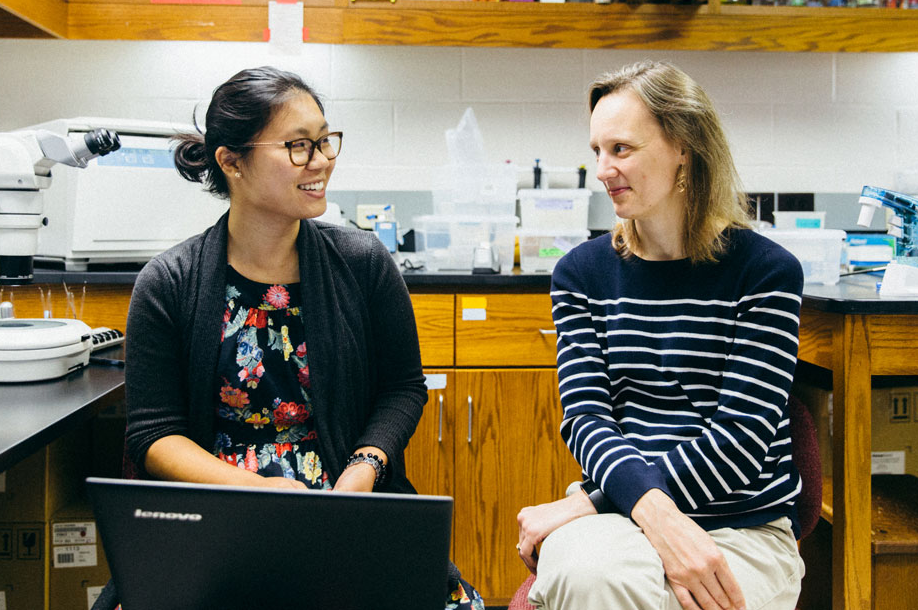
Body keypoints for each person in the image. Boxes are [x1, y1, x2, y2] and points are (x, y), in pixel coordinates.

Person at [110, 66, 482, 609]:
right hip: (221, 516)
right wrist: (259, 491)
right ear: (231, 162)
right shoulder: (169, 282)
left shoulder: (363, 263)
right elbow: (153, 434)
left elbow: (402, 386)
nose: (322, 161)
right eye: (299, 146)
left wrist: (365, 467)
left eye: (325, 141)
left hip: (347, 503)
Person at [516, 61, 805, 610]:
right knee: (590, 582)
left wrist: (592, 502)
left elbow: (742, 441)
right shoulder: (581, 273)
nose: (603, 170)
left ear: (684, 148)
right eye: (597, 150)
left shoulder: (766, 272)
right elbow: (585, 419)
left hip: (743, 525)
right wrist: (644, 510)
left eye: (621, 149)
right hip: (621, 513)